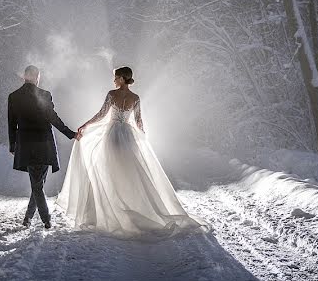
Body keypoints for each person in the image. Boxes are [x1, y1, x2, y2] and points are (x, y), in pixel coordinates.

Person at [56, 66, 207, 238]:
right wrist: (142, 139)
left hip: (112, 135)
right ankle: (132, 208)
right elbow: (139, 121)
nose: (113, 80)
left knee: (108, 171)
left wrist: (85, 125)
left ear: (121, 78)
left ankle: (109, 211)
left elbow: (101, 114)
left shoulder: (112, 94)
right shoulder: (135, 97)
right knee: (129, 173)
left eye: (115, 77)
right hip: (128, 137)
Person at [8, 65, 76, 228]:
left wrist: (13, 145)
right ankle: (46, 219)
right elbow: (53, 118)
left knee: (37, 184)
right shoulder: (44, 95)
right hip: (44, 144)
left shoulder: (14, 96)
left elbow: (12, 123)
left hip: (25, 144)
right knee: (38, 184)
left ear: (24, 77)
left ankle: (28, 219)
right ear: (37, 77)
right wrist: (70, 134)